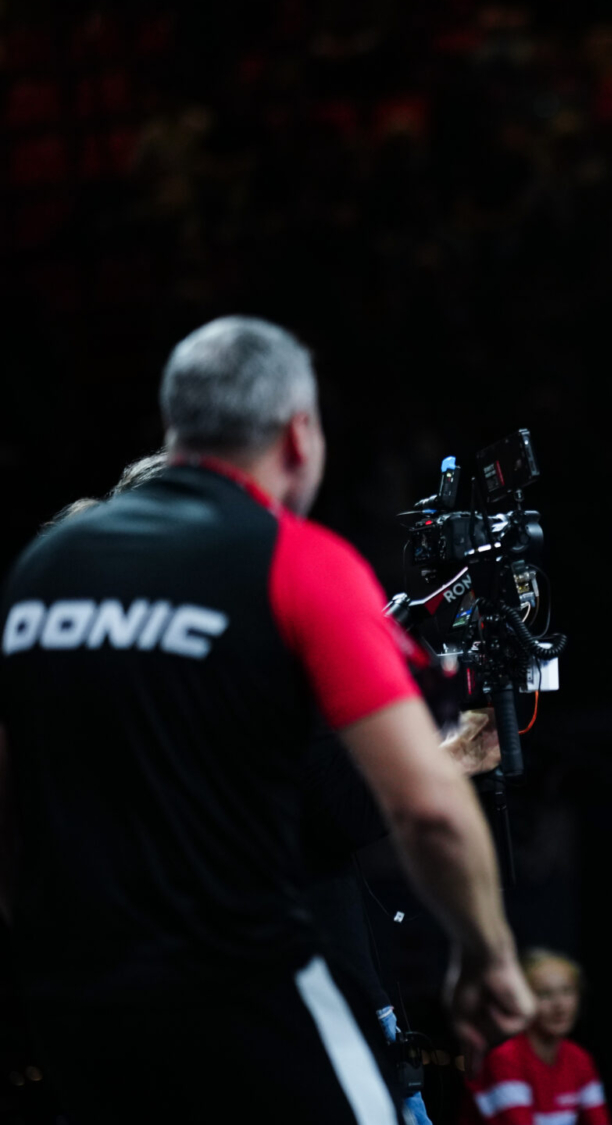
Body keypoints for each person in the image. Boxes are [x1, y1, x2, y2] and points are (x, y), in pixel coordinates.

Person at [0, 316, 533, 1123]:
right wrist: (486, 956)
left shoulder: (42, 570)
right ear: (298, 433)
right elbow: (424, 810)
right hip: (253, 1005)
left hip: (81, 1014)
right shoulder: (294, 560)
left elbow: (14, 824)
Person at [466, 949, 610, 1124]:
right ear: (521, 999)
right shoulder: (504, 1059)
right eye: (544, 994)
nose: (560, 1005)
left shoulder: (580, 1059)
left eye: (567, 991)